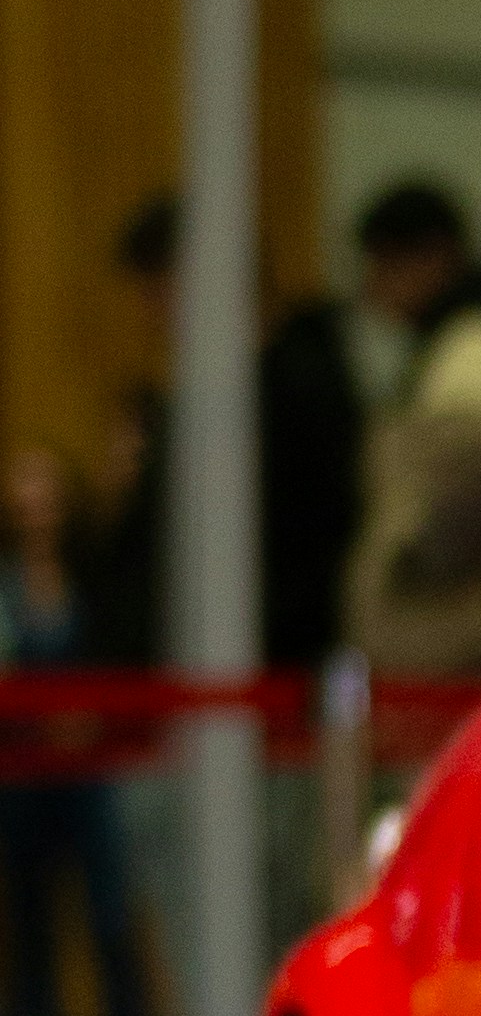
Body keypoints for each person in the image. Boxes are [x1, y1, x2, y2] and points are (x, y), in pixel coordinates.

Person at [93, 196, 366, 674]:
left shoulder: (290, 396)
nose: (155, 319)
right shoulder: (217, 394)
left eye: (160, 297)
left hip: (256, 679)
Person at [343, 179, 481, 686]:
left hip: (468, 645)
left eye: (384, 266)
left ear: (431, 257)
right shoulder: (469, 341)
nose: (371, 287)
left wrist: (403, 558)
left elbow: (468, 500)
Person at [0, 446, 155, 1016]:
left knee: (109, 917)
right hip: (23, 776)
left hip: (91, 773)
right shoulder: (6, 585)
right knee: (28, 928)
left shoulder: (94, 578)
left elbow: (124, 655)